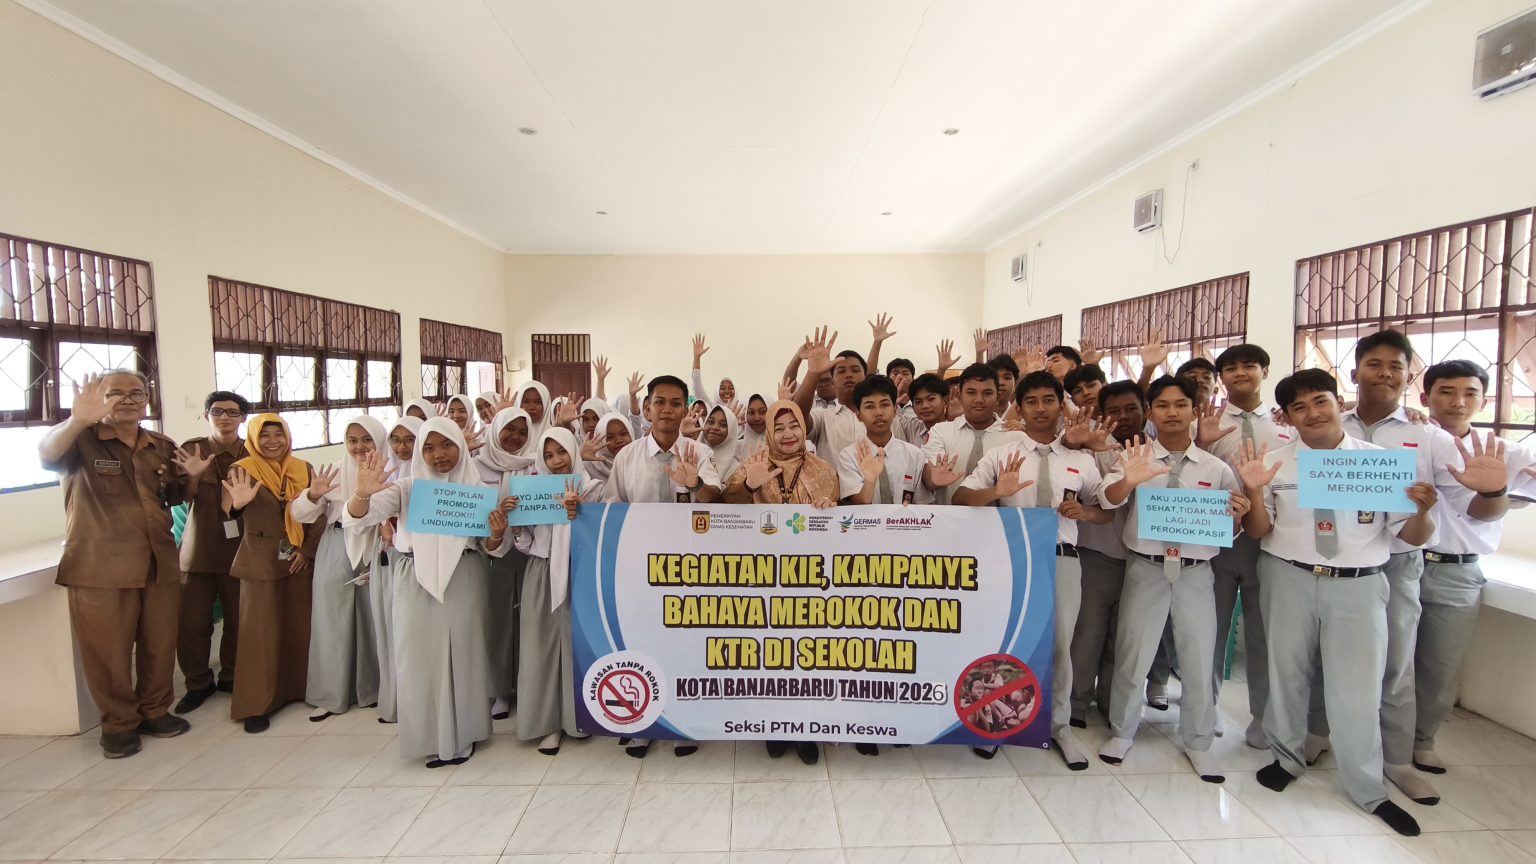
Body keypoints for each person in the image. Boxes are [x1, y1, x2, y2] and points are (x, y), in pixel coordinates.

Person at [1235, 368, 1434, 837]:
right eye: (1299, 407)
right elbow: (1260, 531)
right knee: (1286, 673)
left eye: (1320, 401)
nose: (1312, 413)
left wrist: (1424, 510)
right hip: (1288, 576)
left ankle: (1367, 787)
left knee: (1357, 687)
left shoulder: (1379, 464)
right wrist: (1255, 492)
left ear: (1338, 402)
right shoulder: (1273, 463)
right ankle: (1286, 758)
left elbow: (1410, 536)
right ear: (1287, 417)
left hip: (1358, 584)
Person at [1320, 330, 1507, 804]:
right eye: (1374, 364)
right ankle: (1317, 735)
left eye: (1396, 367)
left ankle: (1399, 759)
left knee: (1397, 663)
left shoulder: (1428, 437)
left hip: (1399, 561)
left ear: (1408, 377)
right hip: (1336, 560)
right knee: (1326, 655)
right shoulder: (1328, 425)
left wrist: (1492, 490)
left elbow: (1477, 510)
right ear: (1355, 372)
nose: (1385, 374)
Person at [954, 370, 1112, 769]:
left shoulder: (1081, 459)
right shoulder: (1003, 455)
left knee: (1060, 644)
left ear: (1061, 405)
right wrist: (996, 492)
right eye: (1031, 401)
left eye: (1048, 400)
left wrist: (1087, 513)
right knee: (1008, 642)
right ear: (1019, 408)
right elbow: (961, 497)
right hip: (1013, 561)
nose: (1040, 408)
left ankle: (1059, 726)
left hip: (1062, 558)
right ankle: (999, 721)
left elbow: (1105, 512)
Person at [1096, 377, 1246, 781]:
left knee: (1198, 655)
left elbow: (1230, 528)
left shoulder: (1215, 468)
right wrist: (1129, 479)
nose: (1172, 412)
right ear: (1151, 412)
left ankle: (1198, 741)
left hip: (1196, 571)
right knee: (1133, 651)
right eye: (1162, 405)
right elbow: (1107, 499)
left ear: (1194, 411)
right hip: (1146, 567)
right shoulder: (1135, 457)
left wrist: (1237, 517)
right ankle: (1122, 732)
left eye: (1181, 404)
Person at [38, 370, 194, 757]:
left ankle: (156, 710)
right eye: (116, 393)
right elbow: (47, 455)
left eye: (136, 393)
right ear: (100, 398)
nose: (128, 400)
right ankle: (119, 724)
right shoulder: (80, 439)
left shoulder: (159, 445)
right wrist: (76, 420)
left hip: (158, 562)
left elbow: (174, 494)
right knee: (108, 651)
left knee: (159, 643)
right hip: (101, 566)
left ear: (147, 399)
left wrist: (192, 479)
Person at [346, 418, 511, 767]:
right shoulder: (407, 488)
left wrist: (497, 533)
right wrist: (362, 492)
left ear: (460, 446)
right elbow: (360, 518)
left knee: (464, 654)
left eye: (447, 445)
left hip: (465, 575)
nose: (439, 455)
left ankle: (464, 734)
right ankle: (428, 737)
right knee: (418, 657)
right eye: (430, 448)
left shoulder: (478, 489)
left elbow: (491, 546)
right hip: (414, 576)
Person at [1413, 360, 1536, 778]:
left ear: (1484, 400)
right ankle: (1376, 736)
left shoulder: (1502, 451)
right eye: (1446, 391)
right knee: (1386, 659)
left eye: (1470, 393)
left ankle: (1422, 741)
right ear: (1426, 397)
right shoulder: (1409, 440)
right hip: (1401, 563)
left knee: (1440, 664)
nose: (1458, 402)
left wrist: (1502, 492)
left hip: (1457, 571)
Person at [603, 374, 722, 758]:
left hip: (690, 567)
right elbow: (611, 510)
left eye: (675, 403)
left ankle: (683, 723)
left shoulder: (698, 452)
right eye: (659, 402)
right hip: (640, 569)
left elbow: (714, 498)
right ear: (647, 408)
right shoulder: (627, 457)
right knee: (642, 641)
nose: (667, 410)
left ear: (686, 408)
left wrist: (694, 484)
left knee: (684, 644)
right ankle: (643, 724)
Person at [725, 400, 839, 764]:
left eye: (794, 426)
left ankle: (805, 729)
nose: (788, 434)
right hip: (763, 578)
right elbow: (725, 509)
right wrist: (749, 485)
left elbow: (839, 530)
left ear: (804, 429)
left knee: (806, 657)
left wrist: (831, 510)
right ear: (769, 432)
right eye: (779, 427)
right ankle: (772, 726)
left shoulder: (823, 470)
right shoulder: (753, 464)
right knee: (769, 657)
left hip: (810, 581)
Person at [1200, 343, 1291, 749]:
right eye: (1231, 368)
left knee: (1262, 633)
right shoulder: (1207, 423)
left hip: (1270, 540)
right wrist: (1202, 442)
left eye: (1249, 366)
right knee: (1210, 630)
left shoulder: (1286, 423)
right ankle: (1205, 708)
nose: (1240, 373)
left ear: (1264, 371)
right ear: (1221, 378)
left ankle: (1262, 718)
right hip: (1215, 540)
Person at [221, 414, 324, 734]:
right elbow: (230, 506)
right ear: (253, 438)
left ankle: (300, 689)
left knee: (299, 626)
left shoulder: (303, 469)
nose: (272, 442)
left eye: (278, 435)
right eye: (264, 435)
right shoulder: (243, 469)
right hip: (260, 560)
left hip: (297, 559)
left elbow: (318, 513)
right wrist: (238, 504)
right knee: (259, 633)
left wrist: (307, 550)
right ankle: (256, 704)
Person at [508, 428, 603, 754]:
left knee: (577, 647)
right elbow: (525, 543)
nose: (557, 460)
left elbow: (604, 534)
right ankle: (547, 724)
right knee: (541, 648)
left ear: (573, 451)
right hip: (541, 572)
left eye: (562, 452)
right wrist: (516, 523)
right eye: (548, 455)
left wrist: (583, 514)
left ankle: (578, 719)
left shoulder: (592, 488)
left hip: (580, 573)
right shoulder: (533, 491)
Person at [290, 417, 384, 721]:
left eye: (367, 439)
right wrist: (313, 494)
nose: (359, 447)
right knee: (331, 619)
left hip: (376, 544)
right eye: (353, 440)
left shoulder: (391, 468)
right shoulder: (333, 471)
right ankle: (330, 694)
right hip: (337, 545)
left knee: (374, 618)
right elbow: (300, 514)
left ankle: (374, 689)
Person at [1069, 380, 1143, 728]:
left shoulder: (1159, 451)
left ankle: (1113, 704)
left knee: (1125, 640)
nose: (1123, 417)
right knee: (1087, 634)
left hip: (1145, 562)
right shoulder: (1092, 450)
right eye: (1114, 411)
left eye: (1131, 409)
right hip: (1097, 554)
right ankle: (1076, 702)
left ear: (1145, 410)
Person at [174, 390, 251, 715]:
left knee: (238, 618)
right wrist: (192, 478)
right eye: (217, 411)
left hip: (240, 549)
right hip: (199, 549)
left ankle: (231, 676)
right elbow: (177, 496)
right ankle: (197, 683)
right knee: (191, 622)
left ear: (242, 418)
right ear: (207, 416)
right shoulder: (192, 449)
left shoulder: (253, 451)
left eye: (232, 412)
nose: (224, 418)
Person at [475, 407, 537, 719]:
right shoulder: (476, 465)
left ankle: (528, 687)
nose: (516, 437)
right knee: (497, 622)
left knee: (530, 622)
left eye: (523, 432)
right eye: (509, 429)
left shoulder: (535, 463)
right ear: (495, 429)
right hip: (490, 554)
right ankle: (500, 689)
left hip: (530, 553)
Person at [373, 416, 423, 724]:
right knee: (407, 642)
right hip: (406, 565)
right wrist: (364, 494)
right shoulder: (399, 483)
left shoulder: (461, 481)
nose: (402, 447)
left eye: (410, 439)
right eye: (396, 440)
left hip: (453, 571)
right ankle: (407, 705)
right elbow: (365, 512)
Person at [922, 363, 1021, 503]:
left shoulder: (1015, 436)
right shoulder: (940, 431)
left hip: (1001, 517)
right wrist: (934, 479)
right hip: (947, 515)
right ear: (959, 395)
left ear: (998, 397)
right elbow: (929, 476)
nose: (979, 400)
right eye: (971, 393)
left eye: (987, 393)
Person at [837, 375, 932, 507]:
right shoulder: (849, 456)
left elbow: (922, 505)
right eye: (870, 407)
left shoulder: (914, 455)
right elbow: (859, 503)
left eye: (885, 405)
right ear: (858, 415)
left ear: (894, 410)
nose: (878, 413)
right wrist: (870, 481)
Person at [691, 333, 738, 409]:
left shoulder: (743, 410)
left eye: (731, 388)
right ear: (717, 392)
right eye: (722, 388)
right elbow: (697, 388)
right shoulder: (711, 408)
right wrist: (697, 357)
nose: (727, 391)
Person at [906, 373, 951, 446]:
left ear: (945, 402)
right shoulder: (911, 428)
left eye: (931, 399)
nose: (925, 406)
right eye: (918, 402)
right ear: (913, 407)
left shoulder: (956, 431)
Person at [702, 404, 743, 482]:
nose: (715, 427)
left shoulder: (736, 469)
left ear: (731, 431)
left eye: (723, 425)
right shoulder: (689, 453)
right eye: (711, 422)